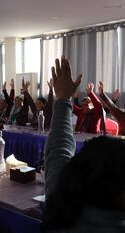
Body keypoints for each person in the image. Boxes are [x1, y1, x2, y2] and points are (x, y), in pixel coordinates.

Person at [43, 56, 125, 232]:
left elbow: (59, 151)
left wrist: (64, 97)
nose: (87, 104)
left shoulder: (60, 204)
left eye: (89, 103)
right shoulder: (83, 113)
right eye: (86, 102)